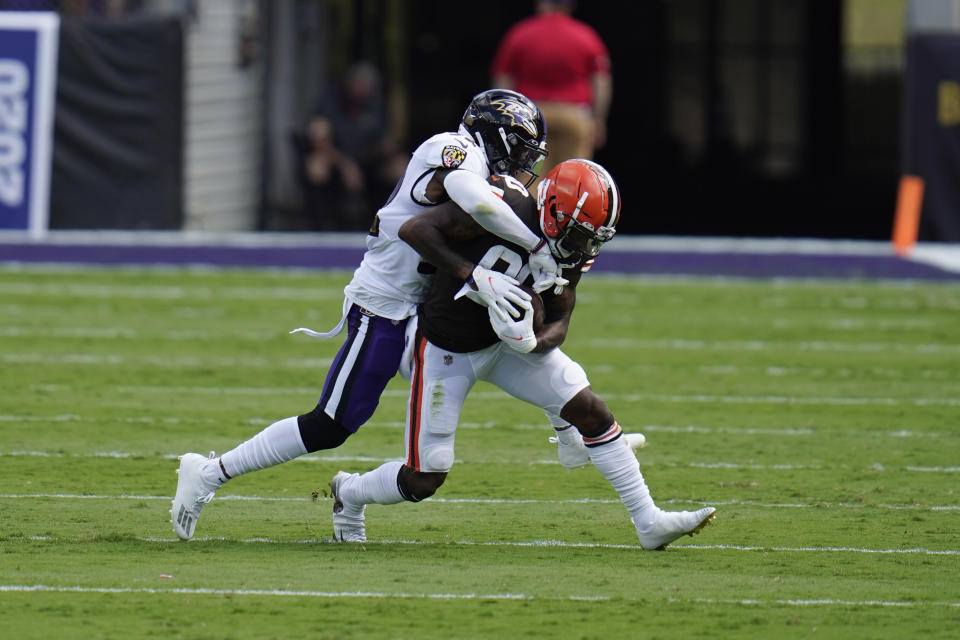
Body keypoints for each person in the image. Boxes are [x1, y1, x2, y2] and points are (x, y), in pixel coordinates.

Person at [170, 89, 568, 541]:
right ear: (493, 136)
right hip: (383, 304)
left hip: (416, 307)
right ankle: (209, 473)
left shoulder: (477, 163)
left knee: (492, 348)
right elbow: (476, 203)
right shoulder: (451, 150)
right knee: (332, 424)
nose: (522, 163)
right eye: (518, 148)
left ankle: (566, 423)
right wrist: (538, 246)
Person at [329, 160, 716, 550]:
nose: (583, 246)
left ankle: (648, 520)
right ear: (551, 209)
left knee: (590, 409)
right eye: (579, 234)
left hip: (506, 348)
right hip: (447, 348)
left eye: (591, 238)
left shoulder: (570, 246)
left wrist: (533, 343)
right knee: (425, 476)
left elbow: (561, 319)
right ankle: (351, 492)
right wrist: (472, 274)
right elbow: (416, 229)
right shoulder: (502, 206)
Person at [491, 0, 612, 187]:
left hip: (532, 118)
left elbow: (503, 79)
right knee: (574, 182)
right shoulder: (586, 35)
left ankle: (531, 216)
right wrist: (598, 120)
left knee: (529, 181)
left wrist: (505, 118)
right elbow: (601, 82)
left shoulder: (521, 33)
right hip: (574, 116)